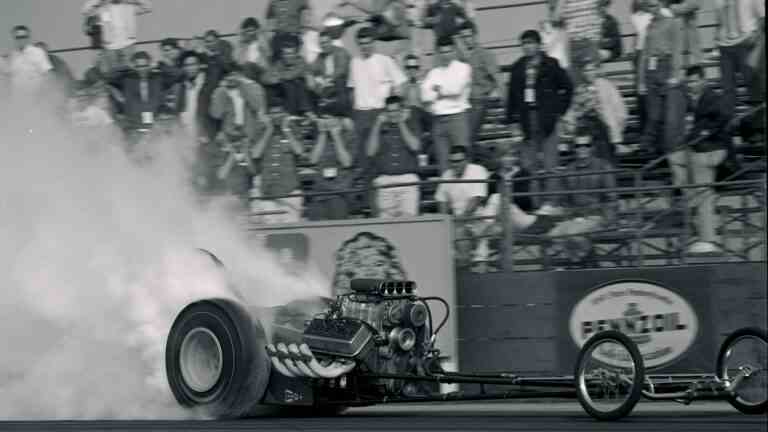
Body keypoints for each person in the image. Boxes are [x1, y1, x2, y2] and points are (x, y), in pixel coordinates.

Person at [505, 29, 573, 216]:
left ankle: (552, 202)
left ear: (538, 44)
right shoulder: (517, 67)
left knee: (551, 164)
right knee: (529, 166)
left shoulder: (551, 64)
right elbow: (511, 97)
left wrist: (558, 110)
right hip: (527, 120)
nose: (527, 46)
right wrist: (511, 121)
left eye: (531, 42)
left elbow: (568, 88)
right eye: (524, 43)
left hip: (548, 119)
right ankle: (535, 204)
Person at [668, 65, 731, 254]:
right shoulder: (693, 98)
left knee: (703, 192)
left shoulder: (711, 97)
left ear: (703, 80)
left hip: (710, 150)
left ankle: (708, 239)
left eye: (695, 81)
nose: (691, 85)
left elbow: (725, 115)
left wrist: (708, 131)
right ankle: (688, 195)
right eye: (689, 82)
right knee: (674, 158)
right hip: (695, 149)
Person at [347, 26, 408, 172]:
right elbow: (352, 89)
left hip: (381, 112)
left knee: (381, 155)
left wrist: (395, 109)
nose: (365, 46)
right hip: (361, 114)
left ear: (373, 42)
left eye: (368, 42)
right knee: (364, 159)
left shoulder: (384, 60)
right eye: (361, 43)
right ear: (358, 44)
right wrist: (354, 113)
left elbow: (401, 84)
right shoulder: (354, 62)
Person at [639, 0, 685, 157]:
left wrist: (676, 73)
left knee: (669, 115)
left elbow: (677, 49)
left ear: (660, 4)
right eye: (650, 6)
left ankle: (666, 151)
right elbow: (644, 54)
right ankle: (649, 147)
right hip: (651, 69)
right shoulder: (649, 26)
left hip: (666, 66)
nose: (653, 9)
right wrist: (641, 80)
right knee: (653, 114)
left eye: (655, 5)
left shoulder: (672, 23)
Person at [421, 36, 472, 174]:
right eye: (443, 52)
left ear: (454, 51)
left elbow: (455, 89)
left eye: (448, 51)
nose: (446, 55)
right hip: (438, 119)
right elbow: (425, 95)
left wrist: (437, 90)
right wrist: (441, 92)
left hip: (457, 117)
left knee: (462, 161)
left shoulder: (464, 68)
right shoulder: (434, 72)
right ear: (438, 52)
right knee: (443, 163)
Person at [250, 100, 307, 224]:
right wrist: (268, 130)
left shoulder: (293, 130)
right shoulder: (261, 131)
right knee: (270, 230)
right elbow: (255, 154)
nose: (276, 116)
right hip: (267, 192)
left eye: (279, 113)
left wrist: (286, 129)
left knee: (291, 229)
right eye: (272, 113)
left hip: (289, 191)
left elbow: (299, 151)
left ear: (285, 114)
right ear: (268, 116)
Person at [367, 95, 422, 218]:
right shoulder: (379, 127)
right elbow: (370, 152)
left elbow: (415, 146)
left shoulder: (411, 124)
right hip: (385, 180)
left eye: (395, 111)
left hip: (407, 180)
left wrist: (401, 122)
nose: (392, 114)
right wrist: (377, 125)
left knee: (409, 221)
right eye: (389, 111)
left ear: (402, 110)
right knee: (385, 224)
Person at [435, 145, 490, 265]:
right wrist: (445, 221)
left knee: (461, 233)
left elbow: (476, 199)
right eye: (452, 161)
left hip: (478, 217)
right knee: (438, 235)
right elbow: (441, 201)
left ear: (466, 160)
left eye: (459, 161)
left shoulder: (477, 170)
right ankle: (458, 268)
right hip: (456, 220)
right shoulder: (447, 175)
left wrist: (460, 221)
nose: (455, 164)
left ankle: (468, 267)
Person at [563, 61, 627, 161]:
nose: (588, 73)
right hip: (587, 126)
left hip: (605, 126)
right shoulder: (580, 89)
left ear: (596, 71)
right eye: (586, 70)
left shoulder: (607, 86)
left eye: (591, 70)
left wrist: (618, 126)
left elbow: (619, 107)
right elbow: (573, 111)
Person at [457, 22, 505, 150]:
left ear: (475, 35)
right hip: (462, 104)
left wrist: (506, 101)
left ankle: (485, 163)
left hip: (479, 102)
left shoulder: (485, 55)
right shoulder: (459, 58)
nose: (466, 40)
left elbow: (498, 78)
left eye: (468, 36)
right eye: (463, 37)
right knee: (460, 140)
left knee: (467, 139)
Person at [713, 0, 765, 116]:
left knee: (753, 85)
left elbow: (762, 17)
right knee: (727, 90)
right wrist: (716, 42)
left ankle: (758, 126)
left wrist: (757, 37)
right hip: (724, 46)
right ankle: (728, 127)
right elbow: (719, 22)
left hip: (745, 43)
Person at [307, 105, 357, 220]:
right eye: (323, 118)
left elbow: (347, 162)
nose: (325, 122)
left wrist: (336, 136)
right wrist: (322, 135)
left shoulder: (349, 136)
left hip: (340, 192)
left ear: (338, 119)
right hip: (319, 192)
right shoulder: (320, 136)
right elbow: (313, 160)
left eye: (328, 118)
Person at [82, 0, 152, 72]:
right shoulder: (102, 8)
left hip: (128, 44)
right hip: (110, 47)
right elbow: (85, 10)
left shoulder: (129, 6)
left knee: (131, 72)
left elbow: (148, 7)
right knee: (114, 74)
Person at [6, 25, 53, 97]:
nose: (21, 40)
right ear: (14, 39)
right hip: (18, 97)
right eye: (18, 37)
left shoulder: (37, 52)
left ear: (28, 38)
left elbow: (48, 74)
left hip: (36, 97)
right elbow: (10, 76)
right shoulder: (13, 55)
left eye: (23, 37)